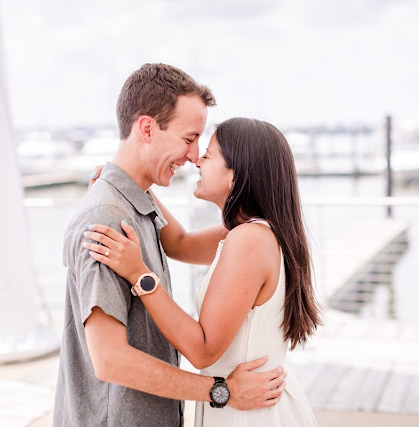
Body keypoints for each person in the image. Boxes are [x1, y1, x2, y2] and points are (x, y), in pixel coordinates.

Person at [54, 64, 286, 427]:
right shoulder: (107, 218)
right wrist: (220, 390)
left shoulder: (141, 208)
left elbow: (179, 243)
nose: (194, 156)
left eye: (203, 147)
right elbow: (109, 360)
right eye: (189, 138)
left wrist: (129, 182)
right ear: (147, 128)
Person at [84, 117, 322, 426]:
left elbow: (203, 349)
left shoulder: (249, 240)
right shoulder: (254, 231)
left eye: (208, 155)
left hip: (249, 413)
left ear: (235, 176)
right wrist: (134, 183)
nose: (196, 160)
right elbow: (180, 244)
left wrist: (139, 274)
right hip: (250, 405)